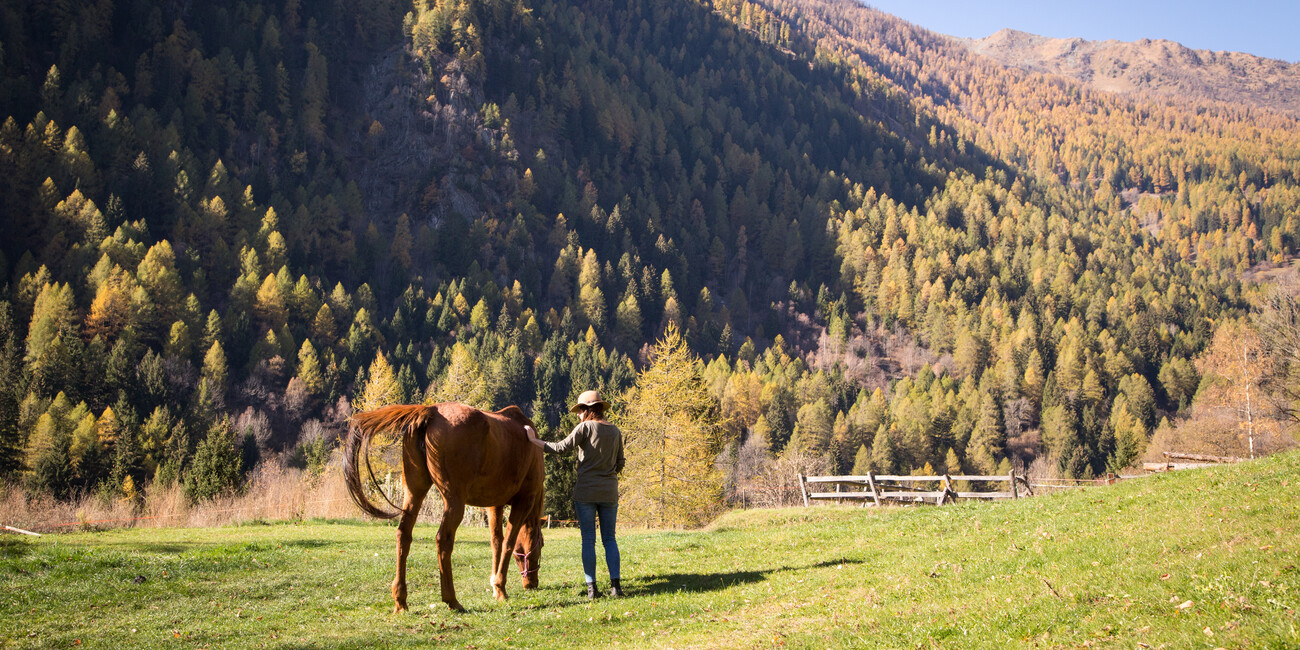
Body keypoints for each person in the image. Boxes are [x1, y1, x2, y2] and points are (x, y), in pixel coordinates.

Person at [525, 389, 625, 599]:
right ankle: (616, 587)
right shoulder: (615, 431)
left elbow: (560, 448)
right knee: (610, 539)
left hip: (586, 491)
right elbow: (620, 463)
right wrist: (607, 476)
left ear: (588, 410)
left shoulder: (585, 428)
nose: (578, 414)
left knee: (588, 540)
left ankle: (592, 589)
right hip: (609, 492)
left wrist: (534, 440)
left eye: (580, 410)